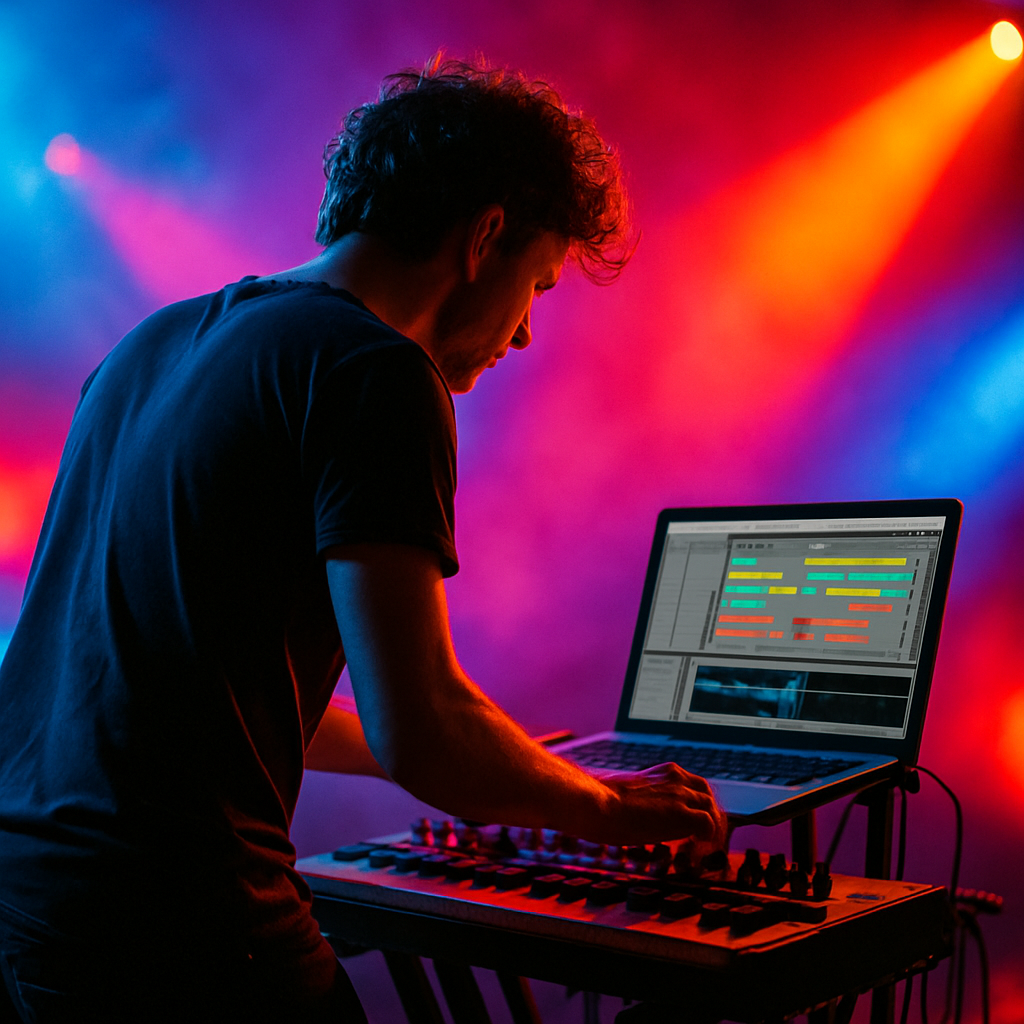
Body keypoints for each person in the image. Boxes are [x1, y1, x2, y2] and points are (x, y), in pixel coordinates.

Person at [0, 57, 727, 1023]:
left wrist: (519, 761)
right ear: (486, 237)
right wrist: (609, 807)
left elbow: (202, 689)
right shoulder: (373, 370)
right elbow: (424, 730)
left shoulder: (149, 346)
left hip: (29, 909)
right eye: (538, 286)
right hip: (176, 924)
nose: (521, 335)